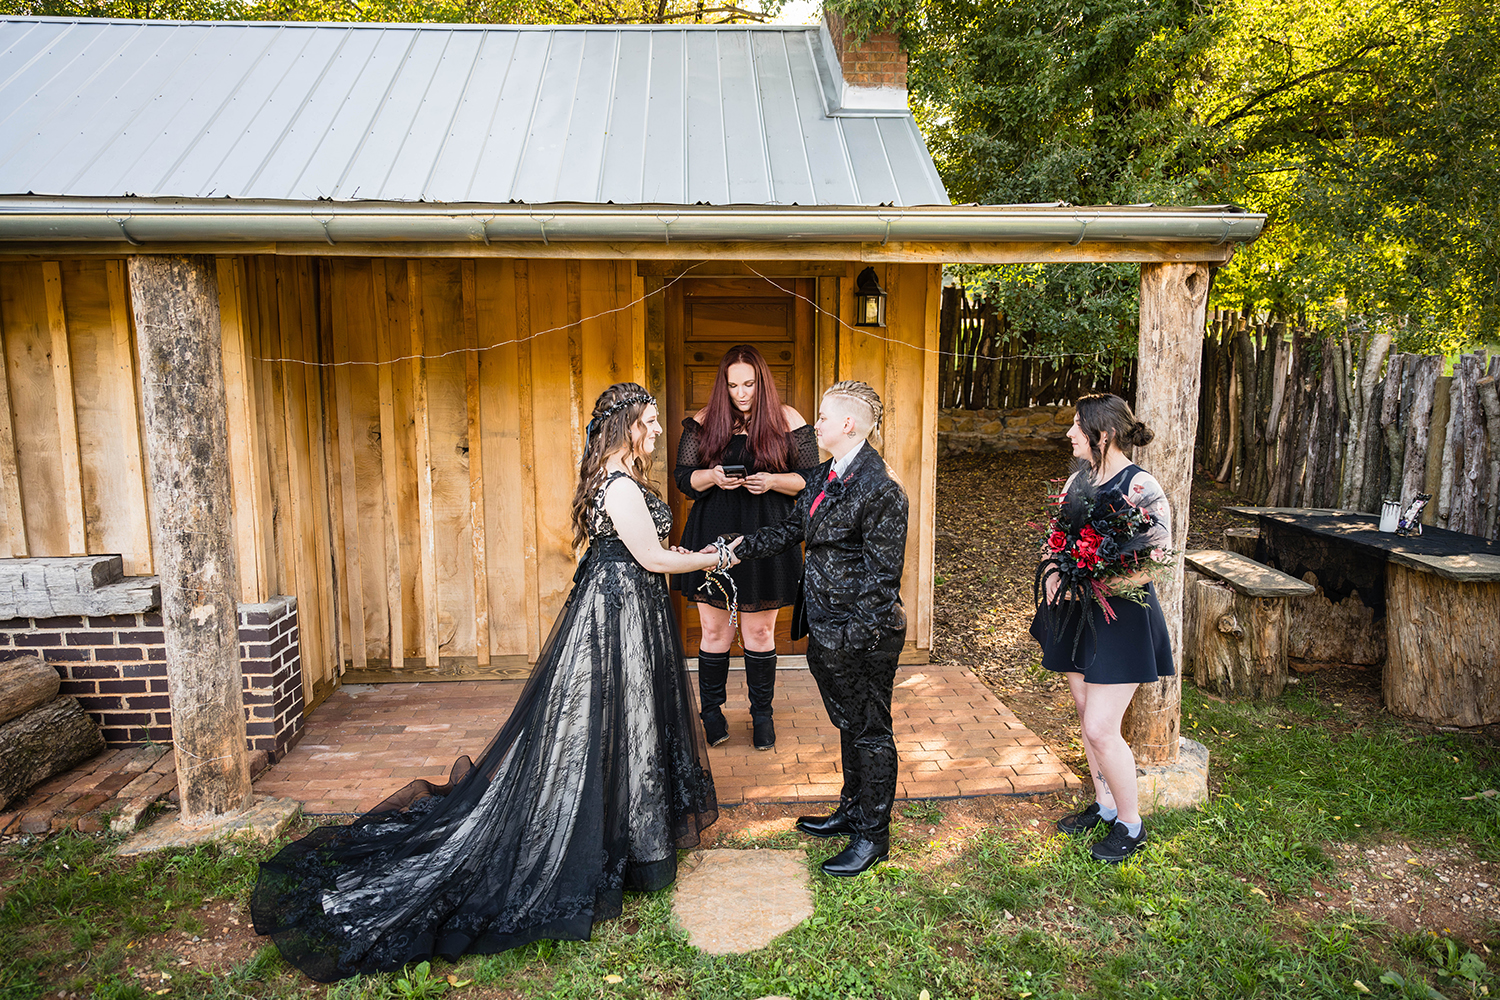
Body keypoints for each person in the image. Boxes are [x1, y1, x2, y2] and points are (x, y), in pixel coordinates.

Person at [252, 384, 728, 982]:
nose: (658, 432)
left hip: (625, 613)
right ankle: (598, 847)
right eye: (651, 423)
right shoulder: (622, 485)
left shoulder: (619, 480)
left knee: (623, 729)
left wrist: (679, 551)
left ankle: (625, 843)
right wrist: (714, 558)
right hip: (615, 619)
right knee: (599, 731)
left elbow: (644, 552)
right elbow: (654, 561)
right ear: (627, 425)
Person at [731, 381, 909, 877]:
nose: (817, 423)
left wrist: (847, 640)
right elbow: (791, 530)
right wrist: (734, 548)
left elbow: (882, 580)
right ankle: (852, 812)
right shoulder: (825, 474)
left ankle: (873, 836)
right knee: (850, 724)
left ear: (848, 424)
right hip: (824, 627)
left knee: (871, 731)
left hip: (862, 636)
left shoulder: (881, 487)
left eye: (824, 416)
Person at [1030, 392, 1174, 864]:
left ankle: (1132, 826)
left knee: (1100, 726)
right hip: (1076, 617)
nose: (1070, 433)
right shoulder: (1079, 480)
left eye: (1077, 425)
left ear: (1103, 434)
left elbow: (1157, 561)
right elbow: (1057, 539)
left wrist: (1093, 585)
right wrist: (1053, 572)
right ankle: (1106, 806)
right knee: (1084, 714)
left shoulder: (1141, 487)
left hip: (1122, 618)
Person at [673, 345, 819, 751]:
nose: (741, 393)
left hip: (767, 535)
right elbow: (684, 480)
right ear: (723, 384)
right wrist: (713, 476)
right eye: (733, 384)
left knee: (758, 630)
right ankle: (712, 712)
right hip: (712, 533)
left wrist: (773, 481)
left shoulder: (789, 420)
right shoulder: (704, 422)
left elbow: (812, 481)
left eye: (749, 384)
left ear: (762, 382)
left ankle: (762, 713)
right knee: (715, 631)